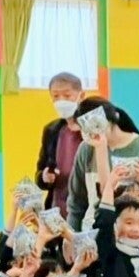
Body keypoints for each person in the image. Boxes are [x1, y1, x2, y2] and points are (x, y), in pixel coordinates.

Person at [66, 98, 139, 230]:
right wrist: (72, 235)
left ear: (107, 119)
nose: (89, 132)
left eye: (92, 124)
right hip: (92, 229)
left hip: (133, 232)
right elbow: (77, 202)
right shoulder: (86, 149)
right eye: (84, 128)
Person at [35, 72, 86, 216]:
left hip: (86, 209)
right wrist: (44, 177)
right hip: (57, 210)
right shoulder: (51, 130)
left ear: (81, 96)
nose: (61, 101)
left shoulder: (92, 129)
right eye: (56, 96)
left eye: (67, 95)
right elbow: (39, 173)